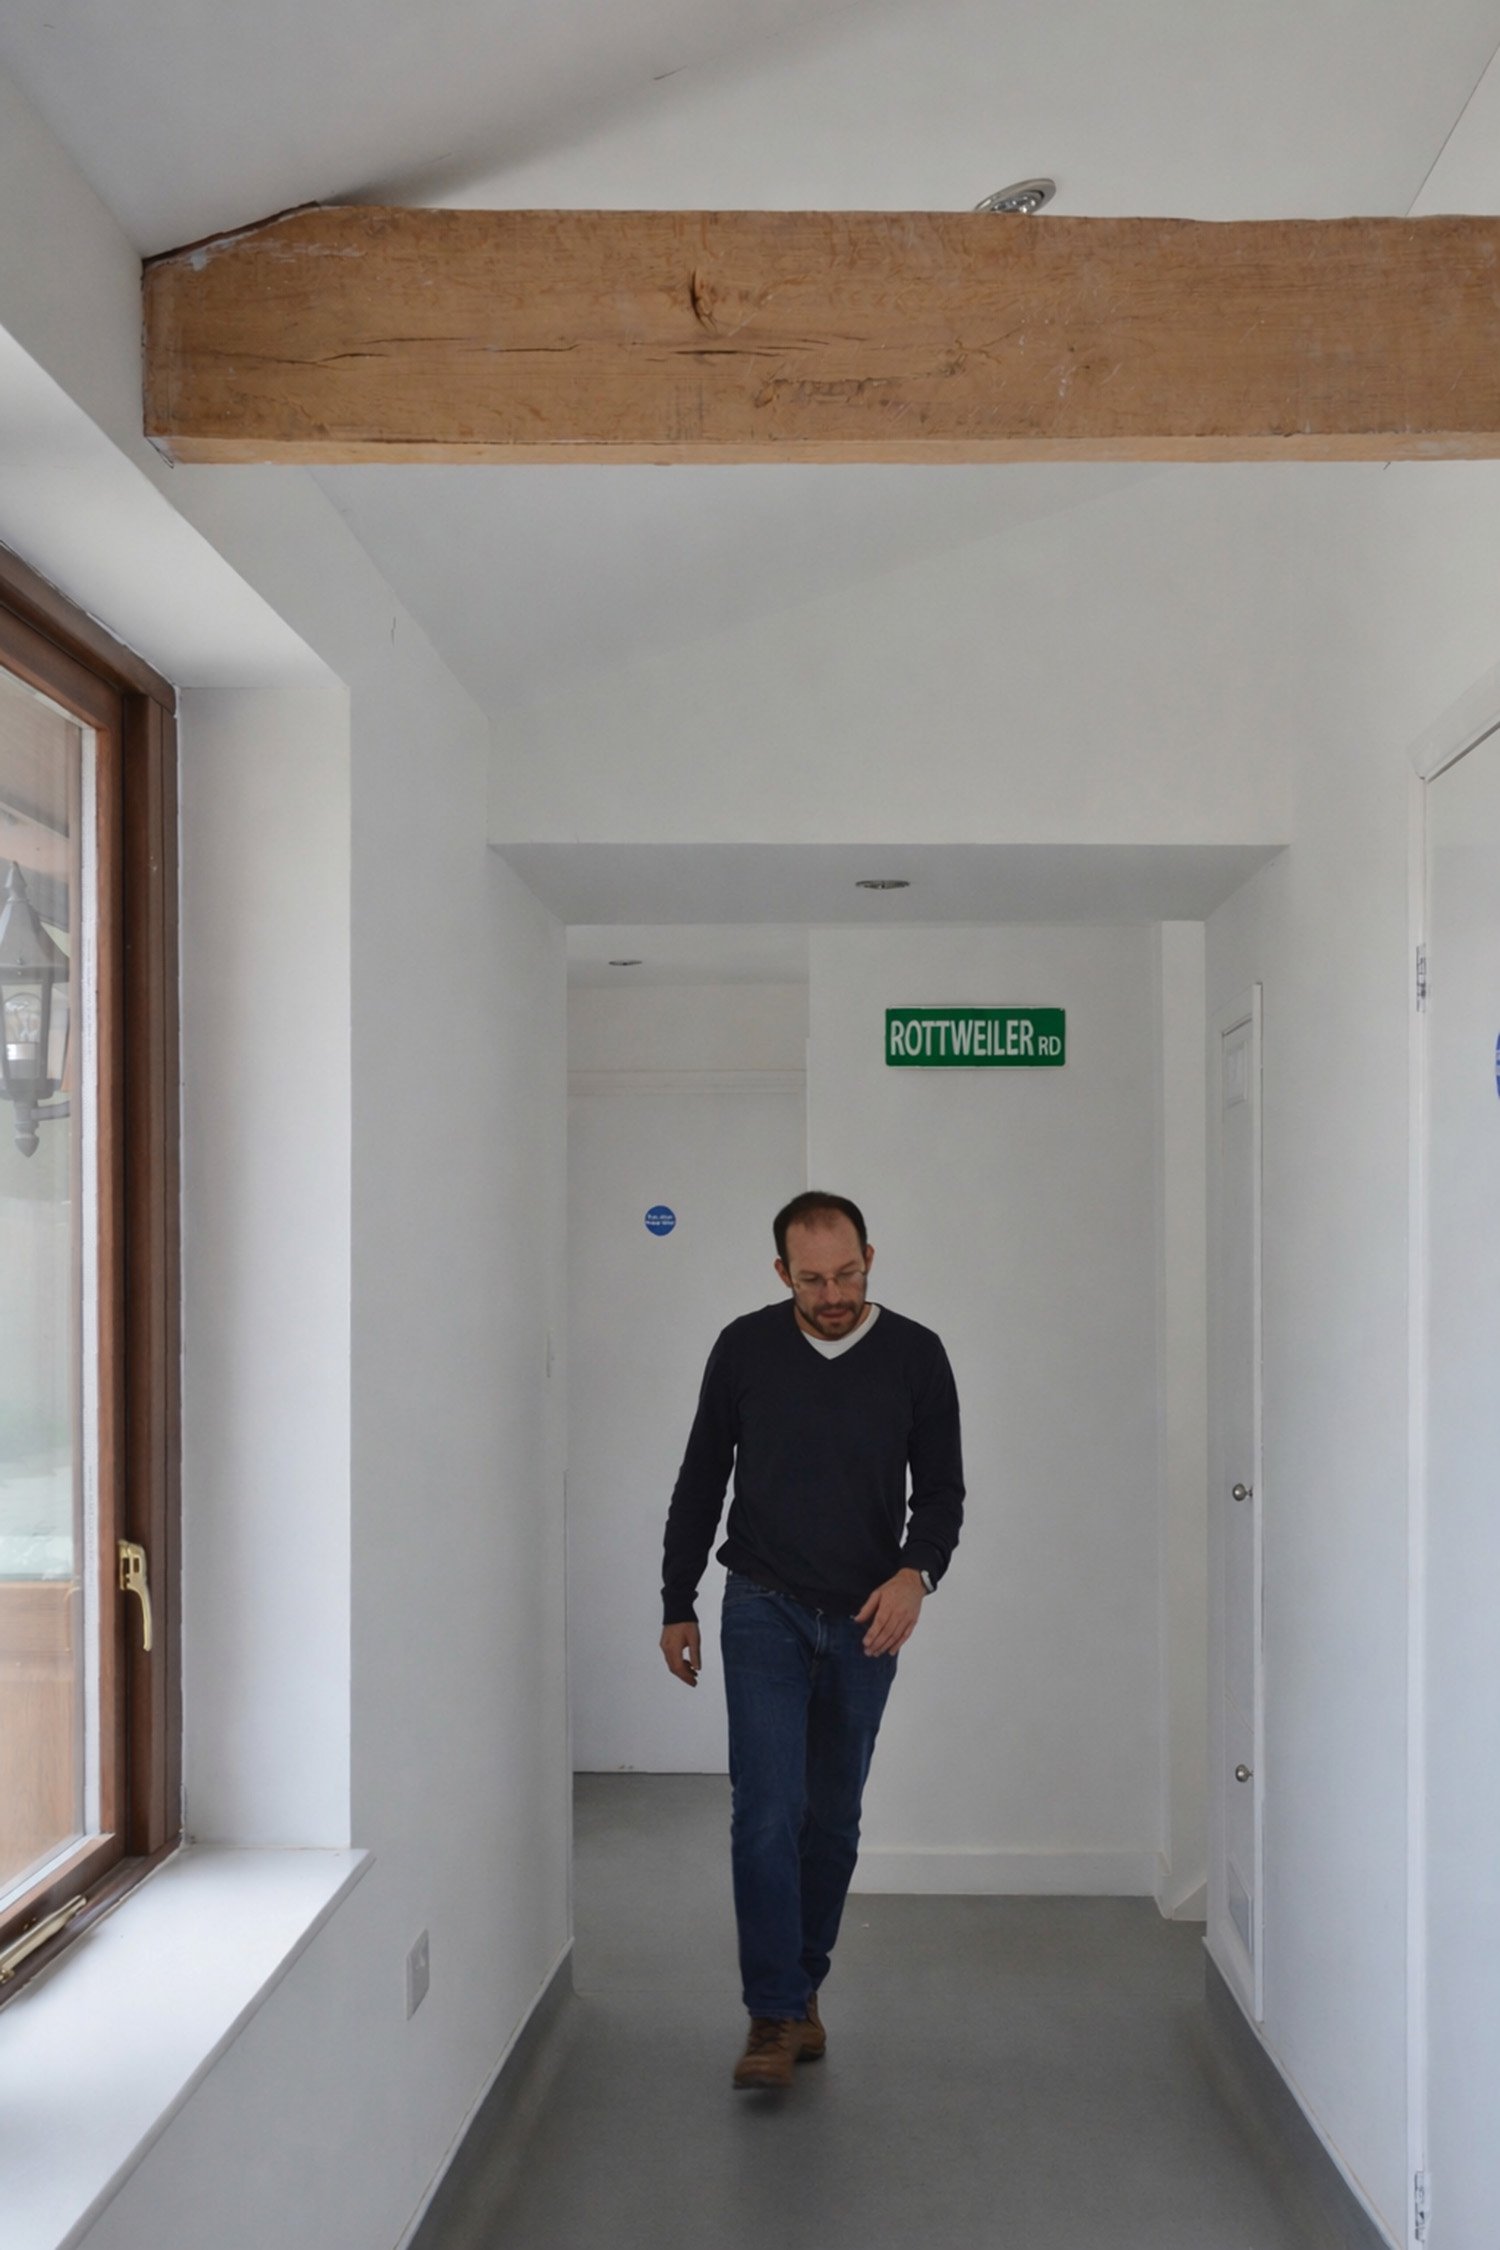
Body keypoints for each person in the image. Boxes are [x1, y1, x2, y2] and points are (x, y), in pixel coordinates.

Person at [659, 1190, 965, 2090]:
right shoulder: (744, 1348)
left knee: (831, 1821)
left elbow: (942, 1492)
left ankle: (803, 1990)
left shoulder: (916, 1355)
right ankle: (772, 2013)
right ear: (781, 1271)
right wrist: (677, 1597)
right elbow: (701, 1476)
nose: (832, 1294)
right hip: (763, 1601)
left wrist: (917, 1574)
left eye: (848, 1274)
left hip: (870, 1616)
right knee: (765, 1810)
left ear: (870, 1256)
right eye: (812, 1277)